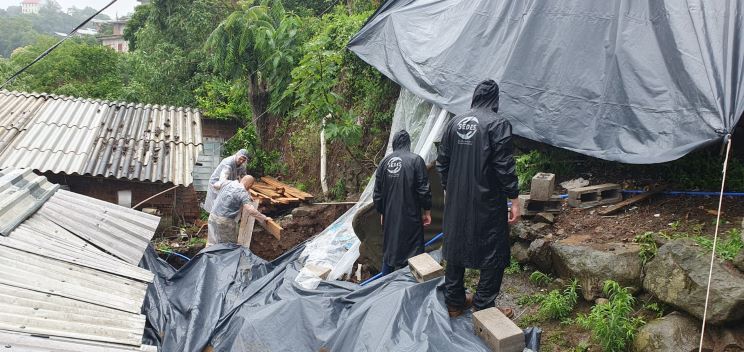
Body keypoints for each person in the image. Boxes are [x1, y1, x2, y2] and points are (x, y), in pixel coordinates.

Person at [436, 80, 520, 318]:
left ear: (474, 97)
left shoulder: (454, 123)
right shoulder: (498, 124)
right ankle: (483, 305)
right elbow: (504, 166)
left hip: (457, 199)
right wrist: (514, 198)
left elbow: (442, 162)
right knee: (495, 249)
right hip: (487, 200)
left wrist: (448, 188)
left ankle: (454, 303)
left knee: (454, 246)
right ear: (495, 100)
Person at [373, 130, 432, 275]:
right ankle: (413, 288)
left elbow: (377, 194)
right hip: (411, 216)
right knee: (414, 253)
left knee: (390, 252)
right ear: (408, 144)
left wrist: (382, 212)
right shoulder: (416, 160)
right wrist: (427, 211)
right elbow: (424, 190)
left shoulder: (384, 163)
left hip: (391, 218)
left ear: (394, 144)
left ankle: (384, 287)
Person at [207, 175, 270, 246]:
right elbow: (250, 210)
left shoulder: (228, 183)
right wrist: (263, 218)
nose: (249, 189)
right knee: (229, 246)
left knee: (212, 244)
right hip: (225, 221)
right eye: (250, 186)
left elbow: (215, 185)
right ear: (249, 185)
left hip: (212, 216)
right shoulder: (242, 193)